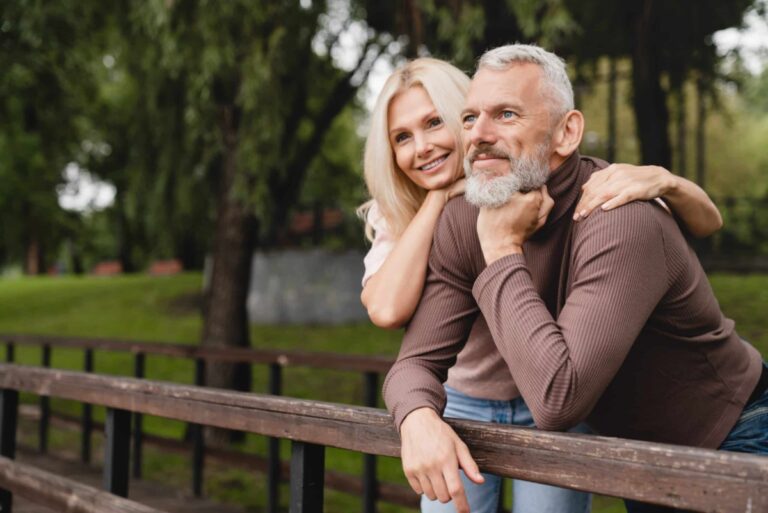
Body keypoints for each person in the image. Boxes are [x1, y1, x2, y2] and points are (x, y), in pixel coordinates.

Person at [382, 44, 768, 513]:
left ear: (567, 132)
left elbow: (557, 400)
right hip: (640, 455)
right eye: (468, 118)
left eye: (505, 114)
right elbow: (414, 362)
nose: (479, 135)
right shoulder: (465, 219)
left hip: (734, 435)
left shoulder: (619, 218)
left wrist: (502, 249)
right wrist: (417, 417)